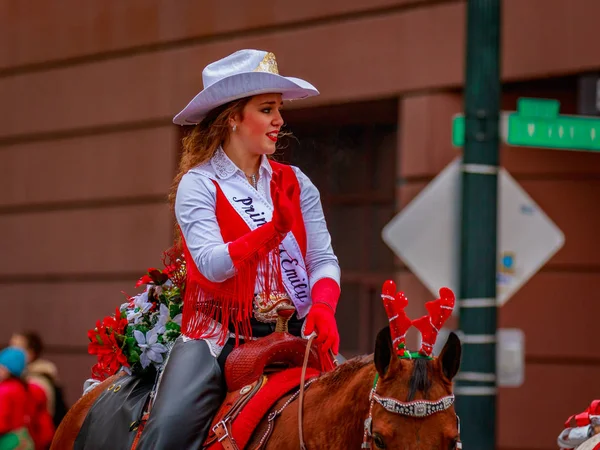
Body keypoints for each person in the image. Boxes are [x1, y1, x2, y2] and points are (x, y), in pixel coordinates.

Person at [136, 49, 342, 449]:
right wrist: (273, 229)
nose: (279, 120)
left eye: (279, 109)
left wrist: (323, 306)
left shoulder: (296, 181)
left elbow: (322, 259)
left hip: (296, 331)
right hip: (219, 337)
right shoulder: (199, 183)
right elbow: (212, 266)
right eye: (267, 109)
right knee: (167, 431)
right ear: (233, 117)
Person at [0, 347, 54, 450]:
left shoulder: (4, 391)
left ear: (7, 369)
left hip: (7, 441)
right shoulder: (29, 389)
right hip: (26, 438)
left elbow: (1, 422)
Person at [9, 332, 66, 428]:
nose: (10, 353)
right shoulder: (18, 377)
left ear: (30, 353)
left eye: (16, 349)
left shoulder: (37, 381)